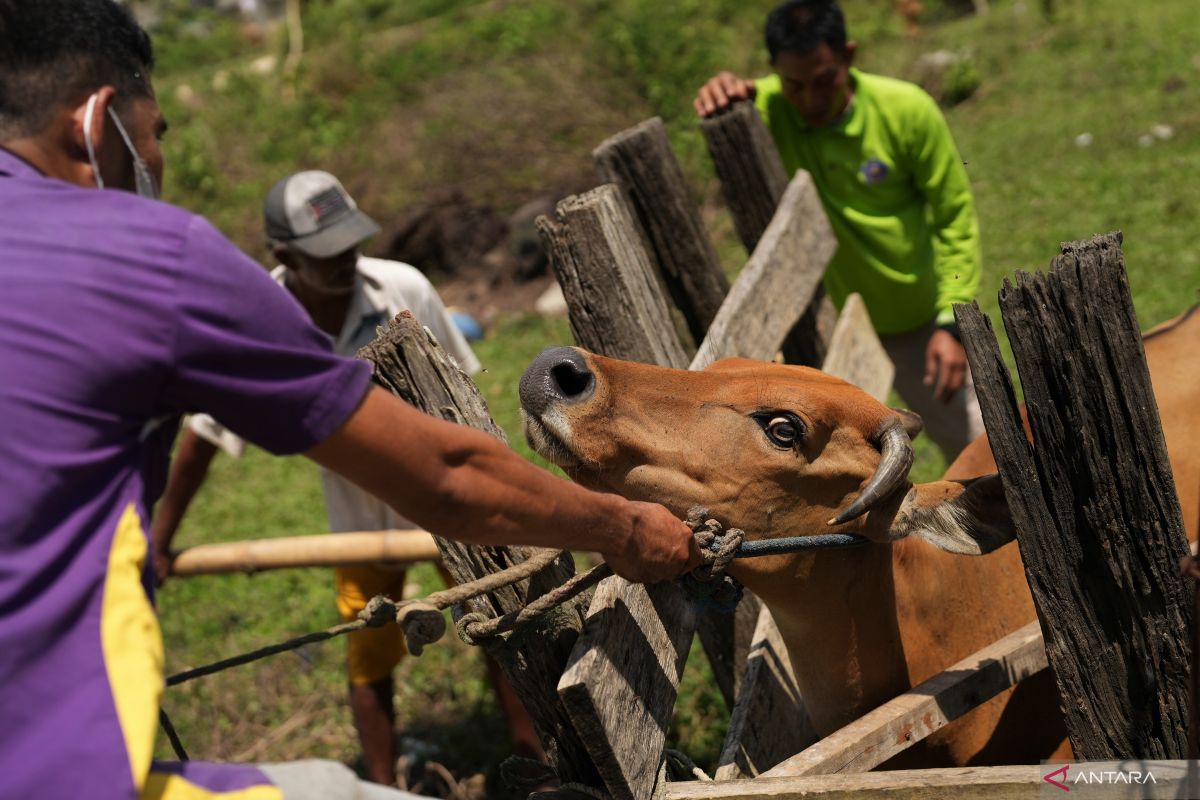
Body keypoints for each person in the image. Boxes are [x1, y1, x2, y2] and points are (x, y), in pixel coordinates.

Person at [0, 2, 701, 799]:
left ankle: (526, 751)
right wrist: (624, 525)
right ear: (97, 122)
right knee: (360, 711)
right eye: (155, 132)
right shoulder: (153, 261)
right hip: (60, 772)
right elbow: (445, 475)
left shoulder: (400, 290)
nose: (155, 158)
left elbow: (461, 415)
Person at [150, 169, 537, 787]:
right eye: (325, 254)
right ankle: (380, 787)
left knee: (499, 621)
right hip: (359, 517)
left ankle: (535, 760)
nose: (346, 260)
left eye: (351, 242)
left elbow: (465, 403)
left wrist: (497, 499)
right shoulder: (256, 321)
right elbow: (203, 437)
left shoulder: (401, 288)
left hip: (446, 501)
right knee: (369, 651)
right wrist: (160, 538)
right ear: (284, 256)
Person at [694, 0, 985, 461]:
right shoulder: (766, 108)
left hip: (920, 325)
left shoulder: (905, 110)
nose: (810, 99)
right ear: (775, 73)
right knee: (843, 470)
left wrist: (952, 322)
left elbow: (954, 216)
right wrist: (723, 89)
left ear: (848, 55)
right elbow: (733, 97)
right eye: (794, 85)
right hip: (834, 335)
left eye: (824, 80)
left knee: (979, 449)